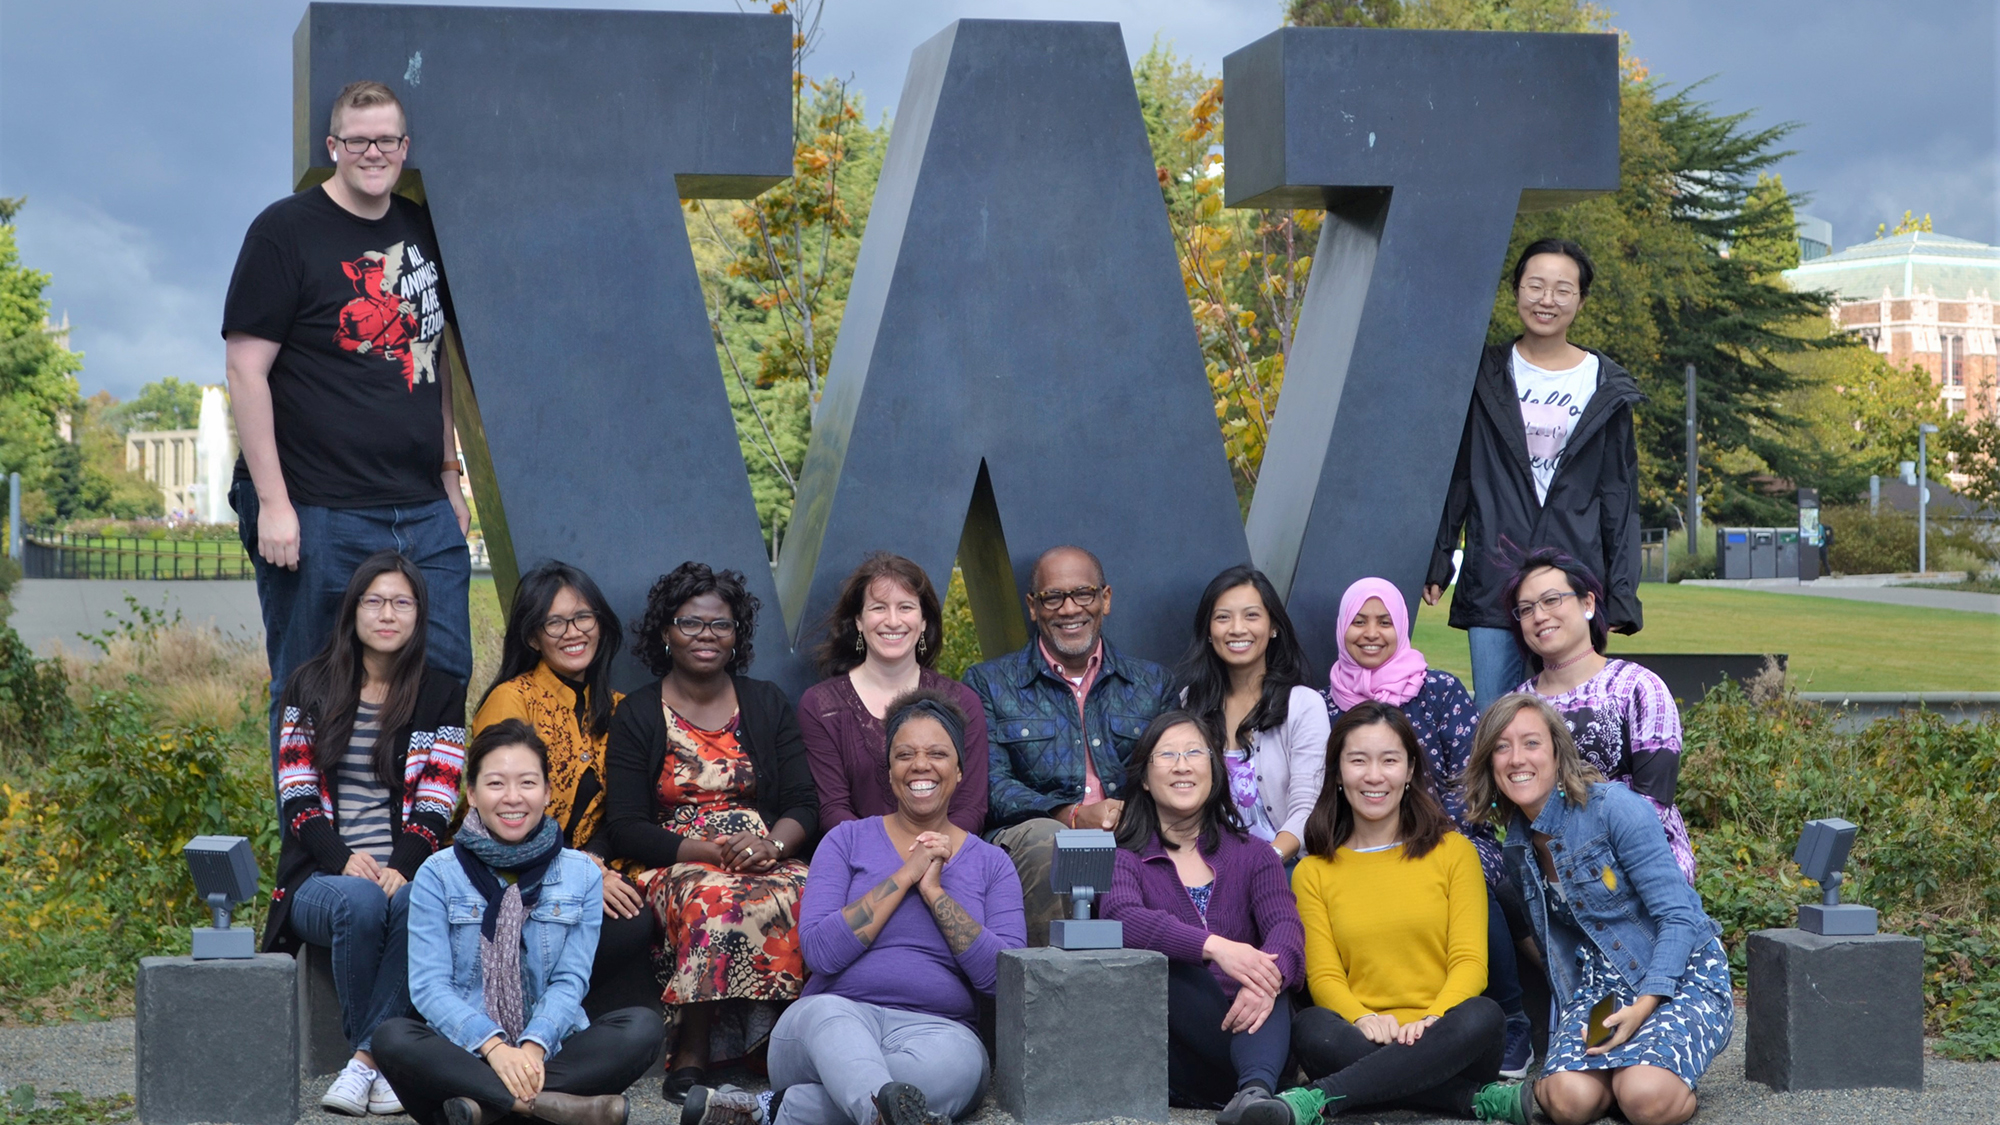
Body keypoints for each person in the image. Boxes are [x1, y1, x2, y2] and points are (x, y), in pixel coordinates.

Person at [223, 79, 472, 773]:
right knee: (310, 689)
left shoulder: (422, 228)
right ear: (333, 146)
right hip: (316, 507)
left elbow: (434, 354)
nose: (372, 152)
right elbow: (245, 370)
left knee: (444, 674)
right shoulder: (285, 231)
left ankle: (417, 853)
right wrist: (274, 503)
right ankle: (311, 867)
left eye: (386, 139)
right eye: (357, 140)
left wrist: (450, 473)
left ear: (404, 147)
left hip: (421, 504)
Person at [689, 690, 1027, 1125]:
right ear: (889, 773)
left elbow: (1002, 977)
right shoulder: (846, 841)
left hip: (938, 1033)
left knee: (952, 1070)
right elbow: (822, 953)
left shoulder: (992, 863)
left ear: (960, 771)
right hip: (829, 1022)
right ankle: (885, 1112)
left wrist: (935, 893)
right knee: (831, 1020)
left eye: (938, 753)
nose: (921, 765)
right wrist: (906, 875)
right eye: (905, 754)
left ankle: (776, 1111)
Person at [373, 720, 665, 1125]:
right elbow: (429, 987)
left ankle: (483, 1110)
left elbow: (570, 981)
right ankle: (547, 1108)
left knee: (642, 1027)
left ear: (547, 792)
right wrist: (494, 1048)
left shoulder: (581, 873)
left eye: (527, 783)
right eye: (496, 784)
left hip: (548, 1053)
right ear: (472, 794)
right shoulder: (438, 874)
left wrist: (531, 1049)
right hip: (464, 1050)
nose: (513, 798)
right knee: (392, 1038)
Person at [261, 549, 468, 1117]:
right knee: (359, 898)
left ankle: (365, 1064)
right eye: (374, 601)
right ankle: (379, 1059)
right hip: (322, 879)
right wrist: (344, 858)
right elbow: (297, 795)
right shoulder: (310, 686)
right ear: (352, 611)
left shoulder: (440, 694)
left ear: (419, 615)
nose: (387, 614)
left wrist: (401, 865)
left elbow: (438, 800)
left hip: (405, 866)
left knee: (422, 899)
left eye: (402, 603)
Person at [603, 562, 817, 1103]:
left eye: (720, 625)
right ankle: (693, 1048)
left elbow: (801, 802)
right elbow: (624, 826)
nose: (706, 636)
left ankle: (784, 1044)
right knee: (714, 896)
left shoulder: (766, 701)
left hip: (764, 853)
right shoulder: (638, 715)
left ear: (737, 634)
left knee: (809, 888)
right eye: (690, 623)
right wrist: (711, 850)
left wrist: (772, 846)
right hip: (677, 859)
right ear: (666, 632)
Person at [1465, 694, 1730, 1125]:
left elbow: (1679, 916)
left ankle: (1651, 1078)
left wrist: (1646, 1004)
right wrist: (1577, 1011)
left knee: (1644, 1097)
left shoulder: (1614, 809)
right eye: (1501, 746)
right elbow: (1560, 944)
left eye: (1531, 743)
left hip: (1680, 975)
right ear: (1489, 762)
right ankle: (1619, 1076)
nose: (1516, 759)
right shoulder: (1517, 844)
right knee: (1569, 1102)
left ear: (1556, 750)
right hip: (1605, 989)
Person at [1322, 577, 1530, 1078]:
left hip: (1447, 835)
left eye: (1385, 621)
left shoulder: (1437, 689)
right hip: (1364, 838)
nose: (1371, 633)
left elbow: (1469, 775)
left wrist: (1428, 837)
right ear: (1341, 628)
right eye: (1359, 621)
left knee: (1469, 870)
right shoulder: (1327, 700)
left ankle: (1514, 1018)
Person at [1425, 239, 1643, 708]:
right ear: (1515, 290)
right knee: (1497, 721)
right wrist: (1438, 557)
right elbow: (1459, 474)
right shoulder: (1484, 375)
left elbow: (1619, 496)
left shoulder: (1605, 385)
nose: (1547, 299)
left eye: (1563, 289)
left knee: (1569, 721)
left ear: (1581, 300)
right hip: (1494, 571)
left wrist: (1622, 592)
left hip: (1573, 575)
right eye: (1535, 286)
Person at [1281, 702, 1514, 1123]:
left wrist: (1432, 1020)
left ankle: (1323, 1096)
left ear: (1409, 772)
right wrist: (1362, 1017)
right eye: (1358, 760)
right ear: (1337, 773)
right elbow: (1324, 976)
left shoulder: (1453, 852)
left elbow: (1470, 963)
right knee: (1310, 1026)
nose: (1374, 776)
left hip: (1447, 1036)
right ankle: (1471, 1100)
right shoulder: (1312, 871)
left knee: (1485, 1015)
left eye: (1390, 760)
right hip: (1360, 1038)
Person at [962, 545, 1174, 945]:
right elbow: (989, 784)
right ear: (1032, 606)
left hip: (1131, 829)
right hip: (1034, 837)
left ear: (1105, 599)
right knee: (1050, 842)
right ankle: (1050, 993)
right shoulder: (988, 683)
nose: (1069, 609)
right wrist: (1071, 816)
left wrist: (1127, 816)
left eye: (1083, 594)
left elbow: (1173, 772)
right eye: (1053, 597)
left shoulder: (1153, 685)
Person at [1101, 712, 1303, 1124]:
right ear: (1143, 777)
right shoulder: (1124, 857)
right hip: (1185, 1052)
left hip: (1262, 1042)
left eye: (1195, 752)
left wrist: (1267, 975)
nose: (1182, 765)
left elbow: (1286, 927)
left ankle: (1254, 1098)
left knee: (1272, 972)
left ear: (1214, 769)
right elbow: (1122, 918)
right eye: (1167, 755)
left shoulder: (1255, 855)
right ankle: (1254, 1091)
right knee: (1172, 966)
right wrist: (1214, 948)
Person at [473, 560, 655, 1016]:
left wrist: (594, 865)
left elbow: (626, 811)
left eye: (583, 617)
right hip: (511, 872)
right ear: (533, 636)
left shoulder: (621, 710)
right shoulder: (512, 699)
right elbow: (502, 813)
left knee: (638, 912)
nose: (572, 631)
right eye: (554, 621)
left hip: (593, 868)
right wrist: (586, 871)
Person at [1503, 548, 1695, 882]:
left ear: (1588, 603)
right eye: (1526, 609)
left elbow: (1653, 806)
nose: (1539, 616)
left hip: (1642, 874)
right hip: (1549, 876)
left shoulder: (1638, 688)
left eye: (1551, 600)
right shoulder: (1515, 706)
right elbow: (1499, 806)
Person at [799, 553, 989, 834]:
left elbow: (971, 809)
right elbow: (832, 809)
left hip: (946, 862)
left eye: (905, 607)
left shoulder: (963, 703)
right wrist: (891, 860)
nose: (892, 621)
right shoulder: (820, 706)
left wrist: (929, 856)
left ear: (924, 621)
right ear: (859, 621)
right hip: (860, 865)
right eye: (878, 608)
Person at [1172, 566, 1328, 864]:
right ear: (1208, 631)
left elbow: (1307, 805)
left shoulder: (1303, 705)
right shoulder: (1190, 701)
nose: (1237, 628)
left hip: (1281, 866)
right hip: (1206, 867)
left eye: (1251, 615)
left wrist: (1267, 862)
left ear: (1273, 627)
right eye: (1222, 617)